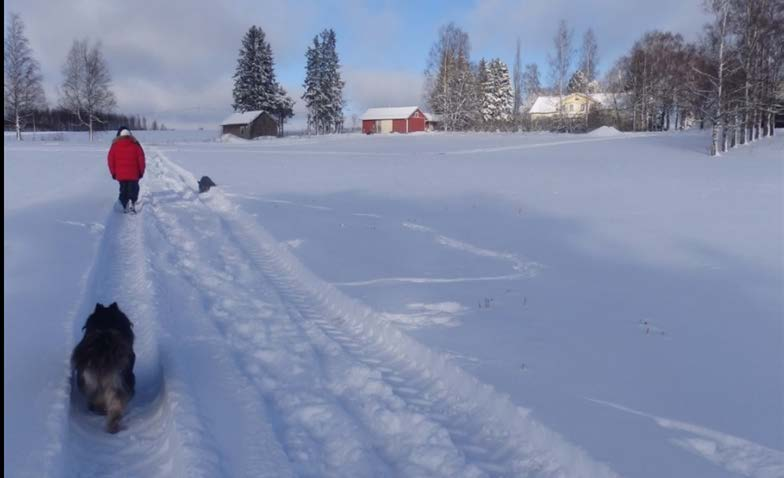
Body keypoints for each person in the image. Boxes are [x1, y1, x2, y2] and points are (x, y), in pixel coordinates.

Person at [107, 126, 145, 213]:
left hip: (120, 174)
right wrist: (141, 172)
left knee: (123, 188)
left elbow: (110, 160)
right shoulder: (136, 145)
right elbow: (141, 159)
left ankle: (124, 204)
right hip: (134, 174)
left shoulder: (115, 145)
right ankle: (132, 202)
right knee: (133, 188)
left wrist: (113, 173)